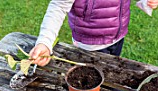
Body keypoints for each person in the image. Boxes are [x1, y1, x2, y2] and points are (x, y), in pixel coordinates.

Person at [29, 0, 158, 66]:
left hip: (118, 37)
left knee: (112, 69)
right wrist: (45, 42)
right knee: (91, 81)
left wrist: (147, 2)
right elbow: (58, 7)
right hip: (90, 45)